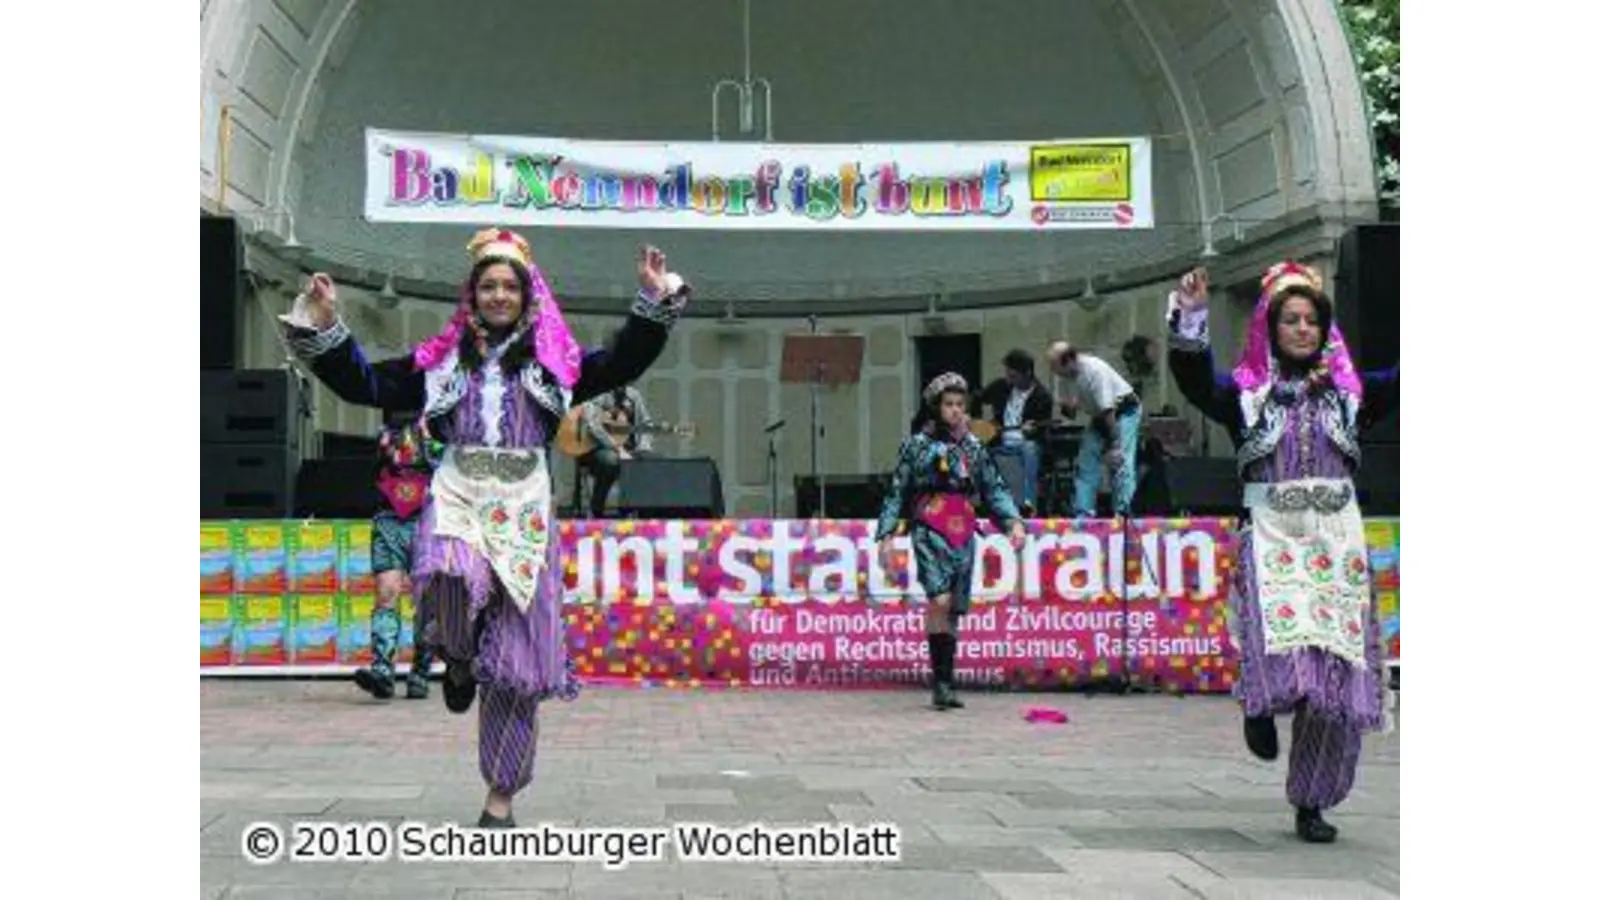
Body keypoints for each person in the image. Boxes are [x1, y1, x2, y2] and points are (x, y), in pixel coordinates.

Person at [278, 228, 688, 827]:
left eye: (508, 286)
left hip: (523, 507)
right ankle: (459, 655)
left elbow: (623, 361)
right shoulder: (440, 365)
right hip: (459, 495)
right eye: (487, 286)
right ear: (471, 296)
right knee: (445, 571)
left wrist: (652, 304)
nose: (498, 296)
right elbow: (367, 385)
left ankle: (501, 795)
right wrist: (324, 326)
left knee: (518, 667)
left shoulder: (556, 367)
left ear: (528, 295)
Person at [1166, 263, 1398, 844]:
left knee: (1333, 682)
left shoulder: (1350, 395)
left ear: (1325, 329)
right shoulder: (1245, 397)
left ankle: (1312, 801)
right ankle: (1261, 704)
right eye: (1290, 319)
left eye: (1311, 320)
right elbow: (1195, 381)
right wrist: (1191, 316)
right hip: (1272, 538)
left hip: (1336, 544)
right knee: (1288, 658)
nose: (1301, 328)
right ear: (1270, 327)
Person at [875, 373, 1027, 711]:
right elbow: (897, 489)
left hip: (963, 528)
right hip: (929, 526)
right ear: (935, 407)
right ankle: (941, 682)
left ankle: (945, 682)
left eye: (961, 405)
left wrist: (1012, 521)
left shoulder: (973, 446)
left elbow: (993, 488)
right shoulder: (917, 445)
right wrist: (886, 534)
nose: (956, 411)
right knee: (939, 599)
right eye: (949, 405)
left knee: (954, 608)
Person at [355, 414, 442, 701]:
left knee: (428, 600)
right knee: (386, 591)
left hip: (429, 520)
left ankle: (420, 671)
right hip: (390, 519)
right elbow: (376, 472)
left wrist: (430, 439)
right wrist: (386, 449)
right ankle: (382, 670)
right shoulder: (386, 434)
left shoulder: (441, 425)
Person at [1045, 340, 1142, 517]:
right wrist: (1061, 405)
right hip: (1100, 415)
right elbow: (1072, 412)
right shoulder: (1068, 377)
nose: (1053, 371)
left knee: (1121, 462)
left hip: (1123, 410)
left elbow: (1108, 410)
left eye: (1054, 366)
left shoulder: (1094, 370)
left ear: (1068, 362)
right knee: (1086, 460)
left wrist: (1115, 444)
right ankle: (1084, 511)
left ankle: (1123, 512)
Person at [977, 349, 1053, 515]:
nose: (1009, 379)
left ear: (1027, 373)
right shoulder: (1001, 387)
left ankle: (1027, 504)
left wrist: (1031, 431)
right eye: (1008, 375)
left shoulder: (1042, 396)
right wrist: (982, 424)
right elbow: (976, 398)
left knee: (1030, 449)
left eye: (1014, 376)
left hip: (1026, 443)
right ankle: (984, 507)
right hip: (1000, 441)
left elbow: (1043, 428)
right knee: (976, 451)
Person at [576, 384, 655, 518]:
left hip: (629, 449)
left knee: (650, 459)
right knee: (611, 460)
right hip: (599, 449)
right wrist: (618, 449)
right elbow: (593, 427)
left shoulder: (633, 395)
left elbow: (646, 423)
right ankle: (596, 508)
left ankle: (635, 510)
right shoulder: (596, 394)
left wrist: (643, 446)